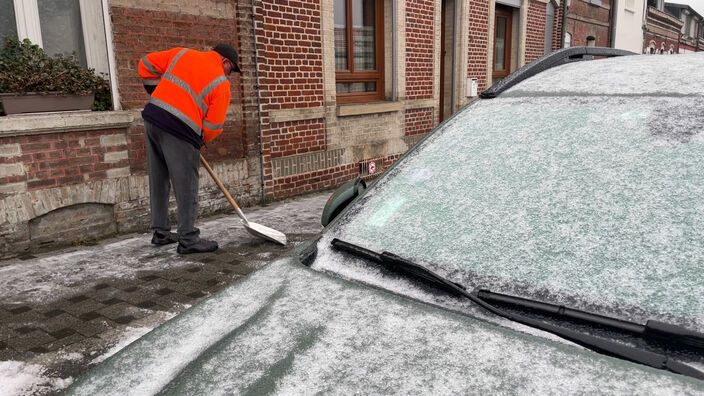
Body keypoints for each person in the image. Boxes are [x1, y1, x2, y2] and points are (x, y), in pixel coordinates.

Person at [138, 44, 241, 254]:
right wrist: (199, 140)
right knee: (187, 185)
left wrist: (155, 90)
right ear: (224, 62)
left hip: (153, 120)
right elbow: (214, 126)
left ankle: (160, 232)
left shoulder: (182, 54)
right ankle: (188, 239)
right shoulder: (221, 84)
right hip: (180, 131)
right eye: (231, 70)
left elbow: (145, 63)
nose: (229, 75)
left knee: (158, 179)